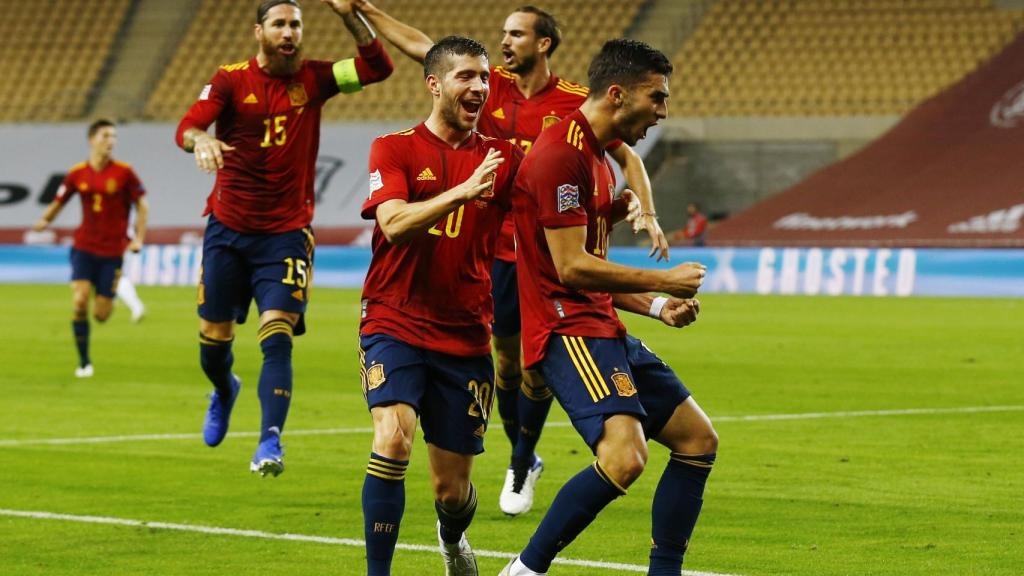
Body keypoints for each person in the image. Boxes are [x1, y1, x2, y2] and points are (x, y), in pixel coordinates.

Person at [352, 0, 670, 516]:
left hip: (538, 246)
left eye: (516, 34)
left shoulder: (573, 100)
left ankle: (521, 459)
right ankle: (521, 457)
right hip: (488, 254)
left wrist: (642, 210)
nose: (505, 43)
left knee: (535, 363)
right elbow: (421, 48)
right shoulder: (486, 86)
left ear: (543, 43)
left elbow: (624, 152)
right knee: (505, 362)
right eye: (502, 33)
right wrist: (365, 12)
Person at [501, 39, 718, 576]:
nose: (663, 111)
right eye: (657, 97)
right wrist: (663, 278)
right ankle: (525, 570)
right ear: (617, 94)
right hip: (564, 330)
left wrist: (658, 304)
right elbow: (572, 270)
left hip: (598, 323)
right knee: (625, 458)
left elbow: (590, 269)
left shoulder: (596, 160)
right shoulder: (558, 156)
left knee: (697, 440)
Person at [359, 35, 559, 576]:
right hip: (393, 318)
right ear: (434, 83)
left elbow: (557, 197)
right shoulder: (393, 147)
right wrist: (462, 192)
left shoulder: (504, 160)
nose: (479, 86)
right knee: (392, 439)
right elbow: (395, 224)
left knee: (452, 492)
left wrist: (619, 200)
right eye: (466, 76)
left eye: (484, 78)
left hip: (466, 334)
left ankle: (452, 540)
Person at [174, 0, 393, 477]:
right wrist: (203, 140)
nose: (289, 32)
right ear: (259, 32)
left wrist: (347, 15)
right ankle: (224, 388)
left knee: (277, 337)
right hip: (228, 231)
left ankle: (270, 441)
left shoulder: (314, 79)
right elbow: (187, 128)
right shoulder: (231, 79)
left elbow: (379, 66)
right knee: (213, 344)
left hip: (287, 235)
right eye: (279, 24)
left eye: (295, 24)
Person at [32, 119, 149, 378]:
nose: (111, 141)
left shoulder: (124, 172)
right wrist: (44, 221)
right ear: (92, 139)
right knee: (79, 300)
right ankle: (84, 362)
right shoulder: (77, 173)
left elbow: (142, 205)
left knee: (101, 315)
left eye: (114, 137)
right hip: (84, 247)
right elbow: (59, 201)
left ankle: (109, 298)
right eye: (106, 136)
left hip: (112, 252)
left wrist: (138, 237)